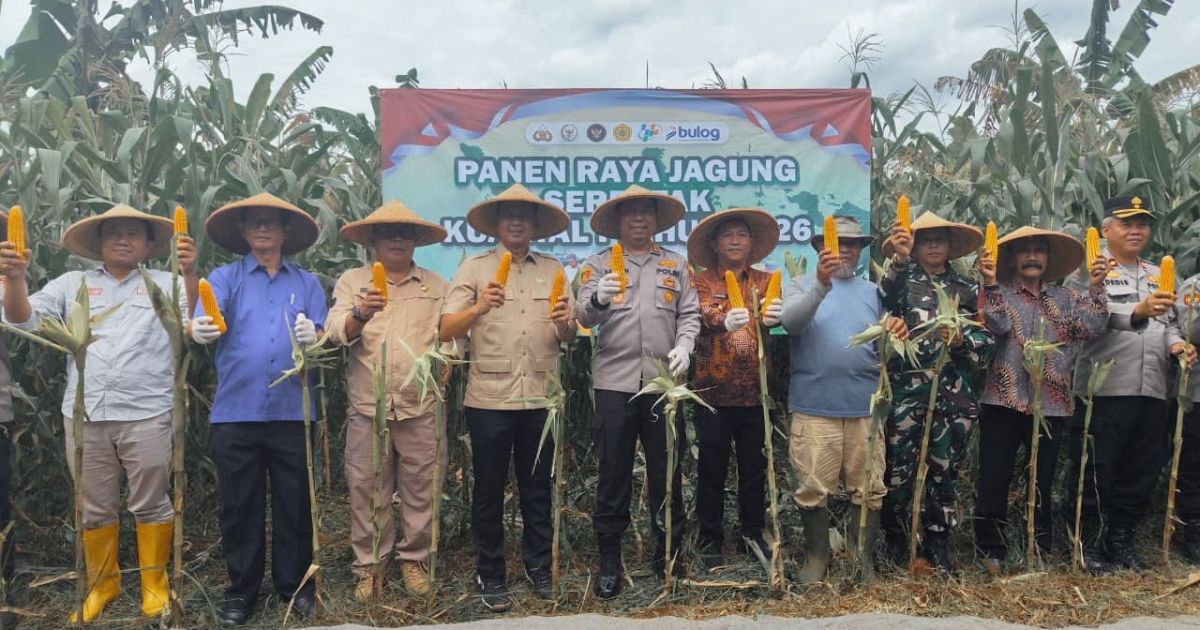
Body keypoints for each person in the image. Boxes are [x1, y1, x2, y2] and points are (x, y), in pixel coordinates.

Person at [0, 204, 196, 622]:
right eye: (113, 233)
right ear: (100, 243)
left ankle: (153, 583)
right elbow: (23, 319)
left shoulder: (167, 282)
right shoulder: (74, 283)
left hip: (147, 411)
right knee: (93, 506)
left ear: (147, 244)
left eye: (133, 233)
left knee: (151, 501)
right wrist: (15, 278)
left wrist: (191, 272)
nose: (123, 240)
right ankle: (102, 584)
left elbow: (194, 322)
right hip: (86, 412)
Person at [190, 193, 326, 625]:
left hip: (293, 411)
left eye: (272, 222)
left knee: (294, 504)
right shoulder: (225, 278)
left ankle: (295, 587)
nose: (263, 228)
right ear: (244, 232)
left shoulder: (307, 283)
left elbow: (323, 334)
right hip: (236, 411)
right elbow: (205, 318)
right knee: (240, 505)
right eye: (255, 223)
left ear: (286, 232)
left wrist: (314, 336)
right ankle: (241, 593)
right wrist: (199, 327)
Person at [440, 184, 574, 611]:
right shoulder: (475, 269)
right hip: (489, 399)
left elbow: (568, 334)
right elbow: (446, 329)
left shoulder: (553, 269)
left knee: (537, 488)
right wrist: (478, 308)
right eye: (508, 215)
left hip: (540, 397)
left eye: (524, 215)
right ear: (498, 224)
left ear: (534, 225)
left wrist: (567, 324)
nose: (516, 221)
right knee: (489, 490)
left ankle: (538, 568)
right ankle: (491, 571)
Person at [575, 185, 700, 598]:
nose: (639, 219)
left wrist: (685, 345)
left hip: (663, 386)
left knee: (667, 474)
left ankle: (670, 557)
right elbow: (583, 316)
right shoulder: (596, 265)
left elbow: (690, 315)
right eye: (631, 214)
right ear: (619, 222)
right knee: (613, 475)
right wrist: (598, 298)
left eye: (646, 212)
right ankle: (609, 559)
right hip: (614, 384)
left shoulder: (675, 264)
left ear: (655, 220)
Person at [327, 200, 450, 600]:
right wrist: (361, 312)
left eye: (405, 233)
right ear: (373, 240)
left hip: (422, 406)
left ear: (415, 241)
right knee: (366, 488)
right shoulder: (352, 282)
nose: (397, 239)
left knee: (422, 488)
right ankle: (370, 566)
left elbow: (450, 337)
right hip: (368, 406)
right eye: (388, 233)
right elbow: (335, 333)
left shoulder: (436, 285)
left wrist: (445, 363)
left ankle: (413, 561)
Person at [1065, 195, 1194, 572]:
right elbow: (1082, 318)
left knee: (1139, 471)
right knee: (1095, 471)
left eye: (1142, 223)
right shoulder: (1089, 272)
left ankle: (1119, 539)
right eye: (1127, 223)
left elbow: (1168, 322)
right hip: (1104, 391)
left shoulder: (1158, 273)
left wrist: (1177, 345)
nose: (1136, 230)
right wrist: (1136, 311)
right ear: (1106, 230)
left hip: (1152, 390)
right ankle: (1086, 543)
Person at [973, 226, 1107, 572]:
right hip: (1004, 399)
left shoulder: (1065, 298)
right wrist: (988, 282)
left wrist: (1096, 287)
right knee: (995, 476)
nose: (1032, 256)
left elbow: (1090, 328)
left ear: (1048, 259)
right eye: (1024, 251)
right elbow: (996, 325)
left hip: (1051, 402)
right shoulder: (998, 292)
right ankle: (991, 549)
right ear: (1014, 259)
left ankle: (1038, 546)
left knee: (1042, 479)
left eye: (1039, 250)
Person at [781, 215, 906, 583]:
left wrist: (895, 332)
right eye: (837, 244)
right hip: (814, 407)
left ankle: (861, 561)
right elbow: (791, 323)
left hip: (865, 408)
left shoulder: (874, 292)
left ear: (862, 251)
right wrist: (821, 284)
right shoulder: (799, 284)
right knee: (812, 489)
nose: (844, 251)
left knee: (868, 491)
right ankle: (817, 559)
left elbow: (891, 344)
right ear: (821, 248)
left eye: (853, 245)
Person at [880, 210, 994, 578]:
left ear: (949, 246)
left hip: (952, 394)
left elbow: (985, 341)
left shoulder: (967, 289)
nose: (931, 245)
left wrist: (961, 341)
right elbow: (880, 300)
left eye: (939, 239)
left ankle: (937, 547)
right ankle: (896, 543)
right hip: (907, 392)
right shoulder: (901, 280)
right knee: (897, 471)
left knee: (944, 474)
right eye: (924, 239)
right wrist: (898, 260)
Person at [685, 207, 781, 569]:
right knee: (711, 466)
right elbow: (699, 317)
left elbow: (773, 316)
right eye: (728, 235)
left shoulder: (766, 280)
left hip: (756, 393)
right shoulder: (701, 281)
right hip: (713, 391)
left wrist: (774, 316)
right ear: (715, 243)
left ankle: (752, 533)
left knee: (754, 467)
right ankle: (710, 537)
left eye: (742, 234)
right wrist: (720, 319)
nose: (735, 240)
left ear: (751, 242)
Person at [1175, 273, 1200, 564]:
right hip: (1197, 395)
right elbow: (1190, 328)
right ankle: (1193, 531)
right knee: (1194, 466)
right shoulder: (1194, 286)